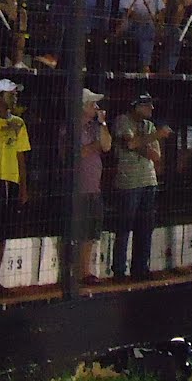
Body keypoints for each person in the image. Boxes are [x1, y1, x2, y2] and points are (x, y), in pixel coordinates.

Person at [0, 78, 32, 291]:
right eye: (10, 93)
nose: (14, 97)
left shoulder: (19, 123)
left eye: (15, 93)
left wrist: (23, 186)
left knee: (3, 230)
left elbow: (21, 156)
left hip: (11, 179)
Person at [112, 92, 166, 280]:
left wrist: (140, 143)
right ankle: (119, 270)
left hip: (148, 181)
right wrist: (154, 137)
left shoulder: (148, 125)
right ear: (136, 106)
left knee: (145, 227)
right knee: (124, 227)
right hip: (129, 182)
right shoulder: (123, 121)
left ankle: (140, 268)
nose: (151, 108)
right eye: (147, 105)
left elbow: (156, 155)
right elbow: (130, 143)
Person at [72, 89, 112, 283]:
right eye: (92, 104)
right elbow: (78, 152)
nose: (96, 107)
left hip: (93, 187)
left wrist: (103, 123)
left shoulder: (94, 127)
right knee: (79, 232)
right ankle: (77, 272)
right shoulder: (72, 127)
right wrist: (95, 146)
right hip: (77, 188)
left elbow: (107, 145)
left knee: (91, 232)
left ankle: (85, 271)